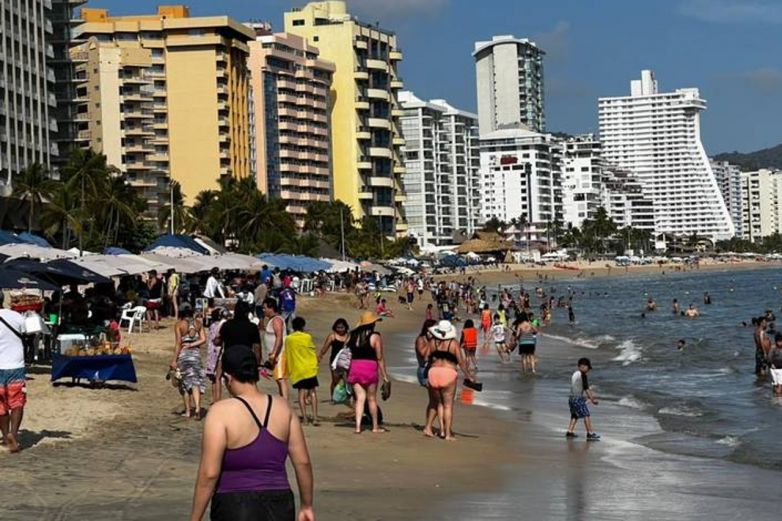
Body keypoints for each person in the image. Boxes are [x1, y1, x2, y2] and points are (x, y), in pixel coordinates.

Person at [190, 346, 314, 521]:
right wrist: (306, 505)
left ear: (227, 377)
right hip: (279, 503)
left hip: (235, 504)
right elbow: (303, 462)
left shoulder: (220, 412)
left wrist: (195, 518)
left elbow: (209, 473)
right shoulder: (283, 407)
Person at [423, 320, 476, 440]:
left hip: (434, 372)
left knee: (438, 403)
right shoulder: (453, 343)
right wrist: (468, 376)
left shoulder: (432, 342)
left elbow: (426, 357)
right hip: (448, 373)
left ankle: (438, 429)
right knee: (448, 405)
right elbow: (461, 362)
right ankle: (447, 434)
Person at [346, 311, 390, 434]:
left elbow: (348, 352)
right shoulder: (375, 336)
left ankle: (358, 427)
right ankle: (375, 426)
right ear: (372, 323)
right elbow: (380, 357)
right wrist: (385, 376)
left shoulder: (352, 335)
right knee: (371, 399)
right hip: (370, 367)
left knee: (360, 398)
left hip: (355, 366)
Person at [0, 293, 26, 453]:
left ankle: (4, 436)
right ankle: (13, 435)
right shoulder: (15, 316)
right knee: (17, 402)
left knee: (1, 405)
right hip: (15, 365)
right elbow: (28, 331)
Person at [171, 306, 207, 420]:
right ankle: (197, 407)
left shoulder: (179, 325)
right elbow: (204, 339)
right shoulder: (198, 323)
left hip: (184, 356)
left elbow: (178, 344)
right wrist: (192, 344)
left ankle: (187, 411)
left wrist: (174, 360)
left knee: (185, 385)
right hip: (195, 355)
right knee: (195, 381)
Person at [285, 317, 320, 425]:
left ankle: (304, 418)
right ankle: (315, 417)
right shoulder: (307, 337)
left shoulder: (289, 339)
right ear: (303, 326)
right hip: (309, 368)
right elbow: (311, 351)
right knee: (312, 392)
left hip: (298, 369)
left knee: (301, 393)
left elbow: (288, 354)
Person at [565, 357, 600, 440]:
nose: (588, 370)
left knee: (574, 415)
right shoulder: (583, 375)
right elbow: (586, 389)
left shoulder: (575, 374)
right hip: (577, 398)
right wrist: (592, 399)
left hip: (571, 398)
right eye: (588, 368)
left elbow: (576, 387)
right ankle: (590, 433)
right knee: (586, 415)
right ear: (583, 366)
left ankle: (569, 431)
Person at [262, 298, 289, 401]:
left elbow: (279, 337)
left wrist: (274, 353)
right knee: (278, 379)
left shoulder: (276, 320)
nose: (263, 310)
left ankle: (285, 403)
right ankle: (283, 400)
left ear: (271, 307)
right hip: (275, 355)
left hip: (279, 354)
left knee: (281, 379)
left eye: (264, 308)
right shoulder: (272, 320)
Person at [318, 318, 350, 399]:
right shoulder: (332, 336)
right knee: (335, 380)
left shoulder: (349, 336)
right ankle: (333, 397)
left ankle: (347, 397)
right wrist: (320, 356)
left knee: (347, 379)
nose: (340, 329)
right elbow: (325, 347)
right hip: (334, 362)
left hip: (346, 360)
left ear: (345, 327)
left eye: (342, 327)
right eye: (338, 327)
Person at [206, 308, 230, 403]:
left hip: (213, 352)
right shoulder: (224, 325)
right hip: (219, 351)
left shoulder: (213, 326)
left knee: (215, 378)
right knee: (222, 376)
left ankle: (215, 399)